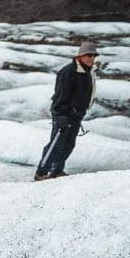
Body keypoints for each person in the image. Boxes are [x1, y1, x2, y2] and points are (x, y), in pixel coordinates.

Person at [34, 41, 98, 180]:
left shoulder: (88, 72)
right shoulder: (68, 72)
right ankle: (41, 173)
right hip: (64, 115)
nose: (92, 58)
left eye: (94, 56)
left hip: (76, 115)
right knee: (56, 145)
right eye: (89, 55)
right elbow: (60, 96)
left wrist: (80, 111)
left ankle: (57, 171)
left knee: (68, 145)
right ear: (80, 56)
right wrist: (60, 114)